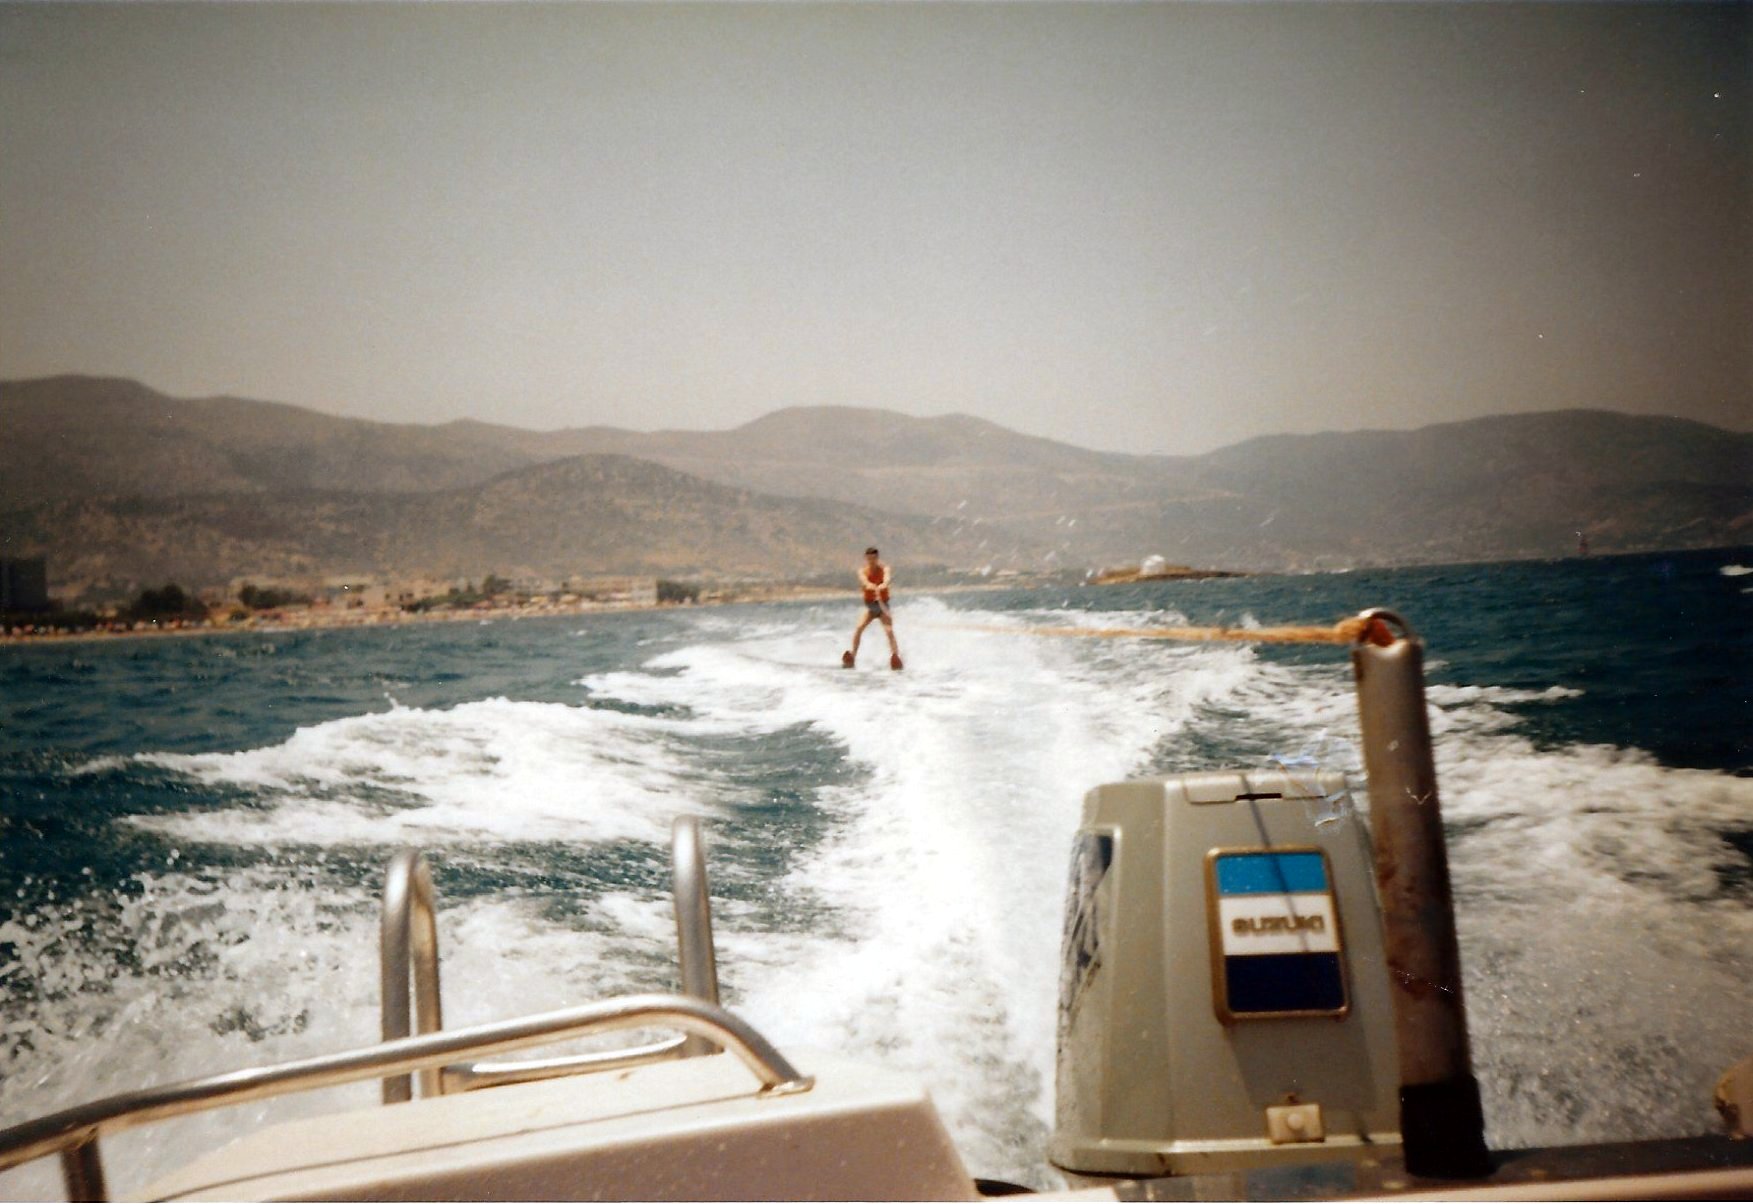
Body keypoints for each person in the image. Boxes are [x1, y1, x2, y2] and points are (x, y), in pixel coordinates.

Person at [844, 546, 903, 670]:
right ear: (866, 558)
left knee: (889, 631)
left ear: (877, 558)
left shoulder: (884, 569)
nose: (871, 561)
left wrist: (883, 584)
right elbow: (863, 581)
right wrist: (869, 585)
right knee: (859, 628)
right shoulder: (862, 571)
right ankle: (853, 656)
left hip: (883, 607)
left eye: (874, 558)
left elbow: (887, 578)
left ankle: (895, 656)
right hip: (870, 608)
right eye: (869, 559)